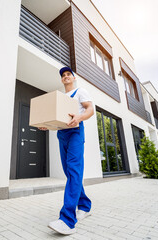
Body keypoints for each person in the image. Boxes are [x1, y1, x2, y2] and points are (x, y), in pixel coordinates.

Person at [39, 66, 94, 235]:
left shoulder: (80, 91)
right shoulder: (61, 97)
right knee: (70, 172)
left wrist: (79, 117)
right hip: (62, 134)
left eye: (68, 74)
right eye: (63, 75)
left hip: (76, 131)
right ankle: (84, 205)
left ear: (73, 77)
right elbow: (58, 119)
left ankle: (67, 220)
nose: (66, 77)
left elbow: (90, 109)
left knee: (74, 170)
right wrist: (48, 125)